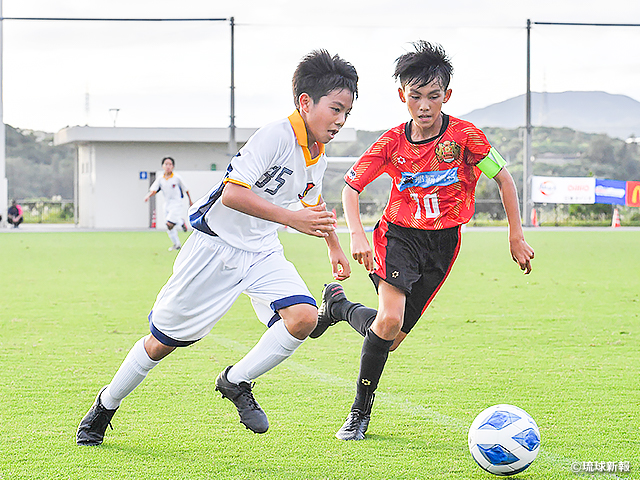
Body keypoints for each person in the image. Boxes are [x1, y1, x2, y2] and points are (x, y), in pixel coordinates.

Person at [76, 49, 358, 446]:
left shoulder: (317, 154)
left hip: (261, 250)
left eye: (348, 112)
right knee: (159, 344)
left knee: (303, 317)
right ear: (305, 102)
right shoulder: (276, 135)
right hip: (214, 249)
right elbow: (231, 196)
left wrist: (333, 245)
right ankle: (105, 405)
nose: (341, 120)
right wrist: (291, 219)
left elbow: (313, 201)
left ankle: (236, 381)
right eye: (336, 109)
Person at [310, 41, 535, 441]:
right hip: (397, 237)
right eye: (415, 97)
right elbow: (350, 188)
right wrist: (357, 234)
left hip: (443, 245)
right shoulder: (392, 143)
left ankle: (338, 306)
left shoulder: (466, 137)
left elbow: (503, 177)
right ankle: (358, 415)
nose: (425, 106)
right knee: (390, 318)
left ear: (446, 96)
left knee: (389, 337)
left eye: (433, 96)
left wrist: (515, 234)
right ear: (403, 97)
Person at [144, 157, 193, 251]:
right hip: (167, 204)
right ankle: (177, 243)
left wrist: (190, 201)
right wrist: (148, 196)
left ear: (173, 166)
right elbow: (154, 190)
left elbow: (186, 189)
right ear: (163, 166)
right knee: (169, 226)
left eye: (170, 164)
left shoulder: (177, 177)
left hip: (176, 203)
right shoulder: (160, 179)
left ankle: (181, 222)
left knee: (169, 223)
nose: (168, 166)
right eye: (166, 164)